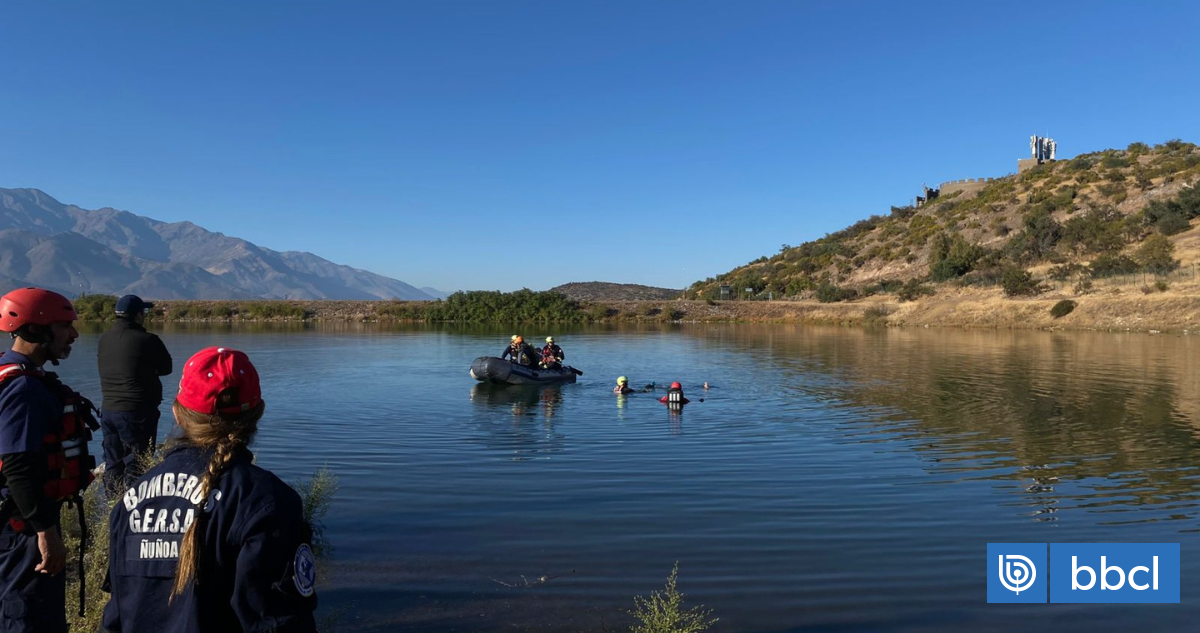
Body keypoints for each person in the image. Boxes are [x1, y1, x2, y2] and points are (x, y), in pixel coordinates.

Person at [101, 346, 318, 633]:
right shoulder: (267, 500)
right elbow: (277, 621)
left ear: (178, 414)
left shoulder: (130, 502)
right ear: (258, 413)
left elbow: (116, 615)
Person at [0, 287, 97, 633]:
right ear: (36, 329)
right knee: (27, 618)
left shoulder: (9, 372)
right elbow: (16, 465)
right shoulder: (24, 389)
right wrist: (45, 531)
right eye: (64, 326)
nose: (73, 334)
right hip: (21, 530)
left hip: (18, 523)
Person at [98, 294, 173, 493]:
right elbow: (167, 368)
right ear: (138, 315)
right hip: (136, 412)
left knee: (113, 463)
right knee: (137, 464)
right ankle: (135, 509)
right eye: (143, 312)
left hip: (108, 410)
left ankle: (113, 507)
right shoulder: (148, 340)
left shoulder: (104, 339)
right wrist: (146, 370)